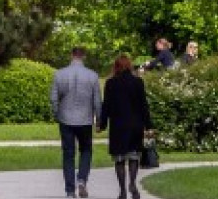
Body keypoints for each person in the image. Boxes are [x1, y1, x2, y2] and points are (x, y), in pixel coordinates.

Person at [97, 55, 154, 199]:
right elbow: (143, 106)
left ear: (116, 66)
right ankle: (133, 183)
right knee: (134, 157)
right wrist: (149, 126)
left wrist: (102, 124)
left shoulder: (111, 83)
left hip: (118, 126)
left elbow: (106, 107)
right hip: (135, 125)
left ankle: (122, 190)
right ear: (130, 66)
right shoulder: (138, 82)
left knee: (120, 159)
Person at [50, 47, 102, 198]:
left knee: (68, 154)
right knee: (86, 150)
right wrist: (98, 119)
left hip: (65, 119)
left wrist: (56, 113)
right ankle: (82, 179)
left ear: (71, 55)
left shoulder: (59, 74)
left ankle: (70, 191)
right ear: (83, 56)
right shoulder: (92, 75)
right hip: (85, 119)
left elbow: (53, 98)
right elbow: (97, 101)